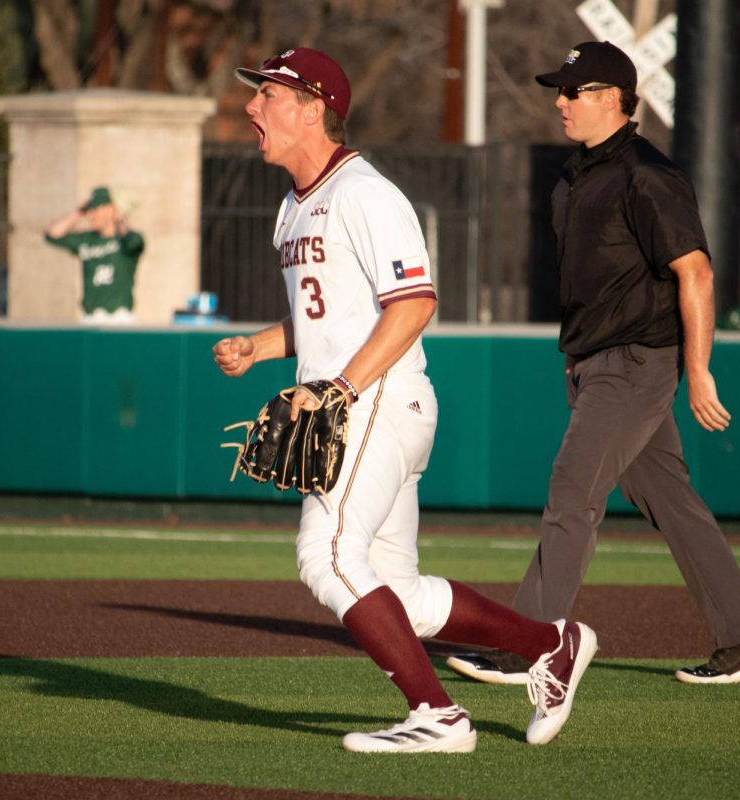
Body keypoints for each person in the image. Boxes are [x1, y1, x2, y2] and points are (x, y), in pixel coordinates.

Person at [212, 47, 596, 754]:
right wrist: (262, 346)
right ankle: (555, 644)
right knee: (399, 592)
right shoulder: (294, 207)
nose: (250, 108)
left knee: (325, 558)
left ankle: (439, 716)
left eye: (266, 96)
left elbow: (414, 303)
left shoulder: (363, 192)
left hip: (374, 404)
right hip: (365, 403)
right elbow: (331, 317)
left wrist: (339, 388)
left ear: (311, 107)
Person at [446, 41, 740, 687]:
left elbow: (697, 273)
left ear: (608, 98)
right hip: (593, 363)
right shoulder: (574, 177)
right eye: (561, 90)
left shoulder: (648, 175)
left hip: (635, 364)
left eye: (571, 91)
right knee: (674, 504)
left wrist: (700, 368)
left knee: (571, 495)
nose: (559, 102)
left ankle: (529, 645)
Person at [44, 186, 143, 324]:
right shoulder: (87, 239)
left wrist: (119, 219)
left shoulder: (126, 240)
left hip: (119, 318)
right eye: (88, 211)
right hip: (90, 317)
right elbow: (52, 235)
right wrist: (79, 212)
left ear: (110, 209)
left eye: (95, 210)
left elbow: (136, 243)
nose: (90, 216)